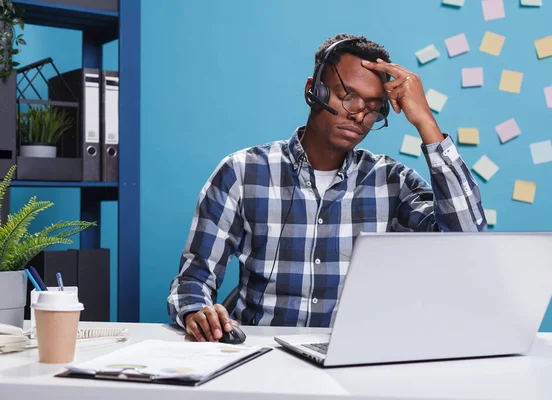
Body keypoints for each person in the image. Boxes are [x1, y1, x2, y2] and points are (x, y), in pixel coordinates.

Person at [167, 33, 486, 342]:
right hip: (260, 352)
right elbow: (193, 280)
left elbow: (467, 242)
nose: (359, 114)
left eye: (373, 107)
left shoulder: (392, 181)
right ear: (313, 90)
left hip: (352, 358)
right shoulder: (241, 172)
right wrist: (198, 312)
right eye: (347, 96)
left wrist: (426, 123)